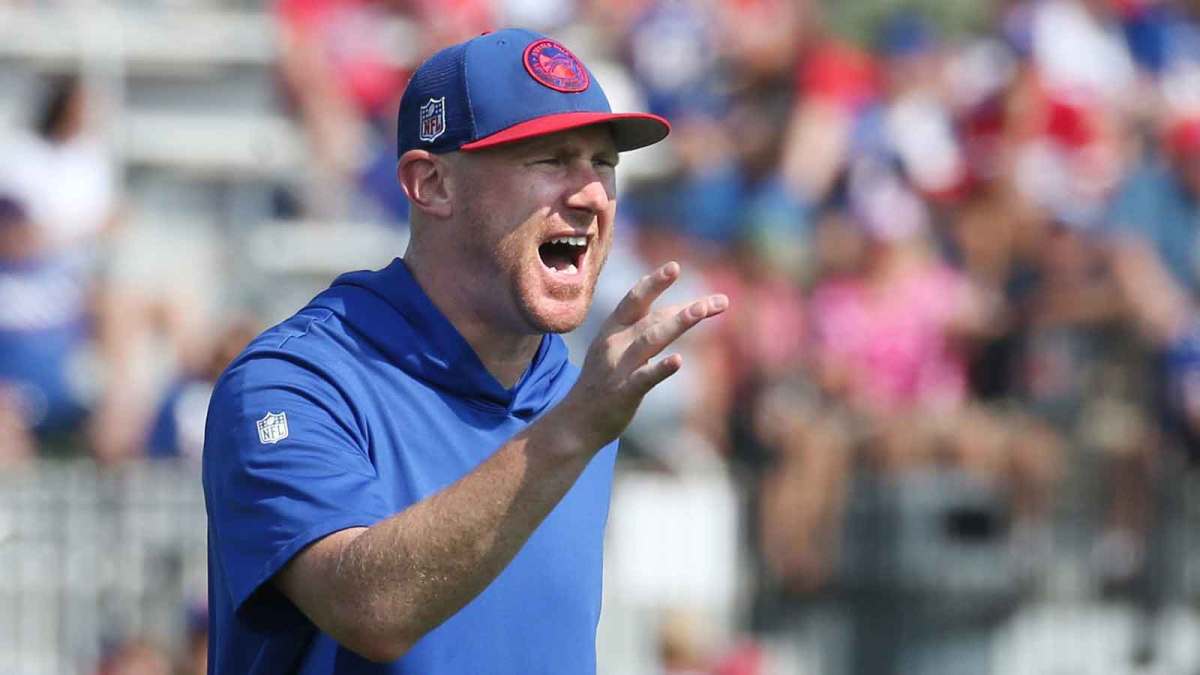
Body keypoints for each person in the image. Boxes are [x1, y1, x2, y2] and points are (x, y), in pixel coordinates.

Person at [202, 28, 729, 673]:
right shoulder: (292, 385)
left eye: (603, 164)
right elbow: (370, 610)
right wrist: (569, 433)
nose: (592, 194)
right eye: (549, 160)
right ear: (431, 184)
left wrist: (574, 424)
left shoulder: (575, 396)